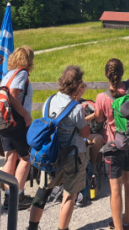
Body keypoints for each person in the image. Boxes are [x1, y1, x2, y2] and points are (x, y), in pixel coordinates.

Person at [27, 65, 90, 230]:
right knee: (69, 194)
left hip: (50, 153)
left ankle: (32, 227)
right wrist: (82, 108)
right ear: (77, 86)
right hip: (72, 154)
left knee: (43, 191)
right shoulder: (76, 108)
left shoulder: (49, 100)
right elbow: (85, 133)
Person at [94, 59, 129, 230]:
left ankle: (117, 227)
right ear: (122, 74)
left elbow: (100, 119)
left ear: (106, 75)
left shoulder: (102, 97)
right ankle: (127, 222)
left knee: (115, 189)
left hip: (113, 145)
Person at [0, 46, 35, 210]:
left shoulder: (8, 75)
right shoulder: (21, 73)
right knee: (26, 159)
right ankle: (18, 197)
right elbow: (13, 96)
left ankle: (8, 197)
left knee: (10, 157)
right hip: (17, 121)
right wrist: (26, 116)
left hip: (4, 122)